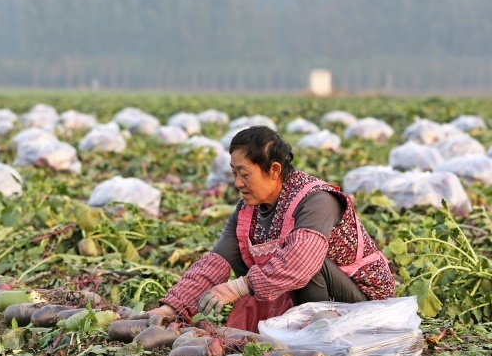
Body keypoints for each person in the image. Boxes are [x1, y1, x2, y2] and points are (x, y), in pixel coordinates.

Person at [151, 126, 395, 332]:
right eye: (234, 173)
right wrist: (172, 308)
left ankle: (318, 337)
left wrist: (238, 287)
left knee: (308, 258)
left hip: (363, 304)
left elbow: (300, 264)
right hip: (313, 295)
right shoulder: (248, 210)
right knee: (247, 258)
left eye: (244, 174)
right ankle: (297, 330)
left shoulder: (316, 200)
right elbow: (216, 262)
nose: (237, 183)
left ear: (274, 170)